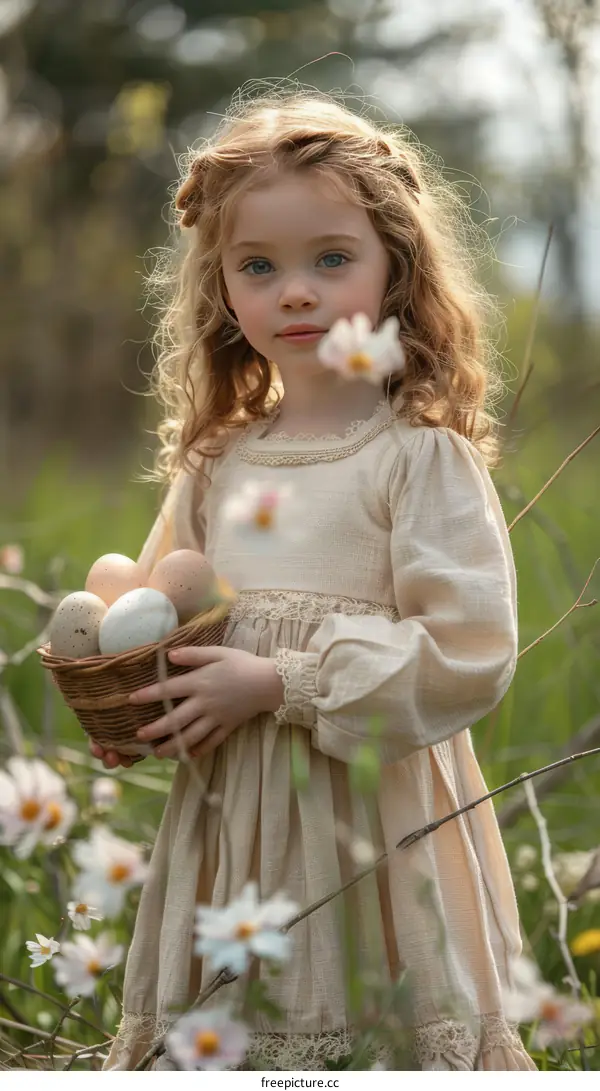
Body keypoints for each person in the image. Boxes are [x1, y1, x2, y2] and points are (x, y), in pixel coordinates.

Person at [98, 88, 536, 1071]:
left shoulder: (416, 456)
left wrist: (283, 680)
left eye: (331, 258)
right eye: (259, 265)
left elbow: (468, 646)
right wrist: (130, 667)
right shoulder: (220, 459)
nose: (295, 291)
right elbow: (157, 603)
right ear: (222, 286)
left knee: (364, 999)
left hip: (369, 816)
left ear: (396, 267)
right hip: (235, 819)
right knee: (238, 1022)